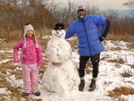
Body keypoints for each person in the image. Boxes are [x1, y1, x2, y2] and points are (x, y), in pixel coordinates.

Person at [65, 5, 110, 91]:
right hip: (84, 49)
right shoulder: (75, 24)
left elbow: (107, 22)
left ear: (85, 12)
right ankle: (82, 82)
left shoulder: (93, 18)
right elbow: (66, 35)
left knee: (95, 65)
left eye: (82, 11)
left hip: (95, 47)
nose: (81, 13)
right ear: (78, 13)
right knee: (81, 67)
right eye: (79, 11)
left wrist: (103, 35)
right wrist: (57, 34)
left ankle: (93, 82)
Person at [13, 23, 44, 97]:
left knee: (35, 78)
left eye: (31, 31)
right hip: (25, 63)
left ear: (33, 32)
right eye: (28, 31)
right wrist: (16, 58)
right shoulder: (22, 41)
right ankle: (27, 91)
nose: (29, 32)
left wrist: (40, 62)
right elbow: (15, 48)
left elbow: (39, 52)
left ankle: (35, 90)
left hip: (35, 63)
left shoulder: (36, 41)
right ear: (25, 32)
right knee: (27, 78)